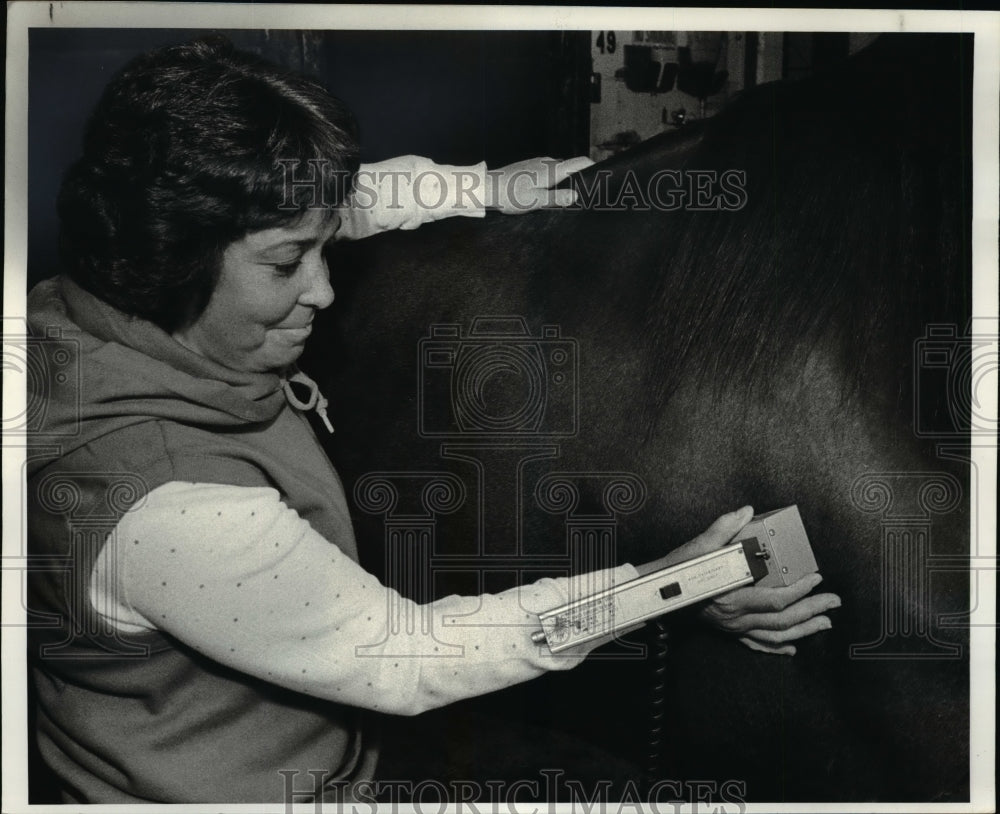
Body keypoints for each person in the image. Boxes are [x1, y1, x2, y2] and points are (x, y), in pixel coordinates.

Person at [26, 36, 840, 804]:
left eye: (321, 248)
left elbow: (354, 200)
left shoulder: (95, 296)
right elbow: (408, 660)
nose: (323, 289)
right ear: (174, 255)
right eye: (286, 266)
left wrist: (490, 188)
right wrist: (671, 589)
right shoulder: (167, 506)